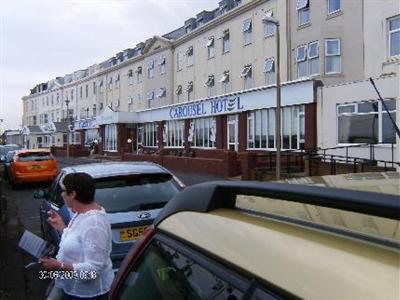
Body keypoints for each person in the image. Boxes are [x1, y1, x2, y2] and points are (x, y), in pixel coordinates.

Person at [40, 172, 114, 300]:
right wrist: (62, 227)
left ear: (73, 194)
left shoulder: (94, 224)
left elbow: (92, 272)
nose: (61, 194)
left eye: (63, 191)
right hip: (73, 288)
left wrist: (59, 266)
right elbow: (79, 241)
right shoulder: (81, 213)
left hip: (89, 295)